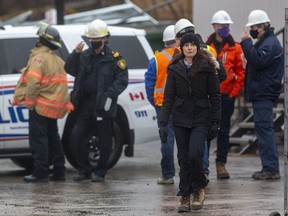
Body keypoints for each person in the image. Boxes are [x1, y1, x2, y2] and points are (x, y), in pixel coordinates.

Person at [159, 33, 221, 212]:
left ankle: (199, 188)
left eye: (193, 45)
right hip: (180, 118)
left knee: (195, 154)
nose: (189, 48)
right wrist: (163, 123)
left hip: (201, 117)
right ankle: (185, 194)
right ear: (182, 47)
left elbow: (215, 96)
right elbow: (168, 97)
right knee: (183, 158)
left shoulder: (207, 66)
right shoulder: (175, 67)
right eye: (186, 45)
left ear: (197, 47)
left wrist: (215, 121)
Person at [64, 19, 128, 182]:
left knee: (105, 139)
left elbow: (122, 80)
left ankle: (100, 172)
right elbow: (70, 69)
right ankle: (84, 171)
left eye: (96, 39)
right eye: (91, 39)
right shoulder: (85, 56)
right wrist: (75, 54)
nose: (93, 42)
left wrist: (109, 94)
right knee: (79, 137)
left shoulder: (114, 58)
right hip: (85, 104)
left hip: (103, 105)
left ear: (105, 38)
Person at [12, 23, 73, 182]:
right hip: (53, 107)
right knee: (53, 138)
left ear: (42, 41)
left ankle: (40, 172)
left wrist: (30, 102)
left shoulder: (38, 59)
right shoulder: (58, 60)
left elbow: (33, 83)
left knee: (39, 140)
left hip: (40, 106)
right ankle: (59, 171)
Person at [240, 10, 283, 180]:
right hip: (261, 93)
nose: (252, 30)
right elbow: (257, 61)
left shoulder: (269, 43)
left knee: (265, 131)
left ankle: (271, 169)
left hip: (264, 94)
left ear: (263, 27)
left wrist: (246, 43)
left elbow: (258, 60)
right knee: (264, 130)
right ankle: (269, 167)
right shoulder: (266, 42)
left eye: (254, 27)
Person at [204, 10, 246, 179]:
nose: (225, 28)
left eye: (227, 25)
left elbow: (241, 72)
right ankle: (203, 164)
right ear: (214, 27)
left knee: (223, 130)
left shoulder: (236, 47)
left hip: (226, 96)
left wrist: (233, 94)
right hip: (208, 97)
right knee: (205, 130)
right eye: (221, 25)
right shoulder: (206, 48)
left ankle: (221, 164)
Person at [145, 25, 177, 185]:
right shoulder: (185, 56)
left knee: (167, 140)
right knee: (187, 140)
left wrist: (156, 103)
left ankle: (167, 175)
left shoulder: (157, 60)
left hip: (163, 106)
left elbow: (149, 86)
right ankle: (191, 174)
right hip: (182, 105)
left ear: (165, 41)